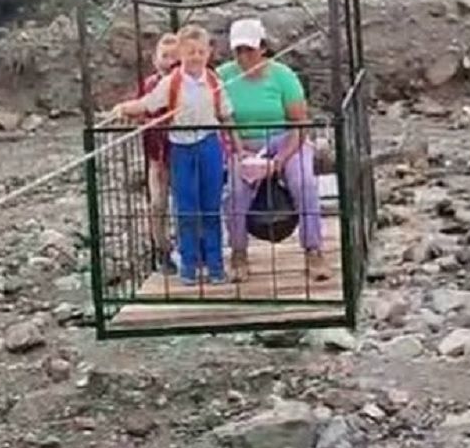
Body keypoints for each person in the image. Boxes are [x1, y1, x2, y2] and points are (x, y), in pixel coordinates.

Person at [112, 26, 241, 285]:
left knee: (211, 207)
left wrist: (237, 145)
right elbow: (149, 102)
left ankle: (215, 266)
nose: (195, 57)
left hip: (208, 146)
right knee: (185, 207)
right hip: (180, 149)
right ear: (181, 53)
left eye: (201, 52)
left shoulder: (214, 80)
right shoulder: (171, 82)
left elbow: (226, 115)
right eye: (190, 52)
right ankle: (189, 265)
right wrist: (126, 108)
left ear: (209, 53)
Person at [217, 18, 331, 283]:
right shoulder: (223, 76)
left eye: (250, 49)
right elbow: (224, 119)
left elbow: (299, 122)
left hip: (284, 140)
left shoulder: (283, 76)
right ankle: (238, 251)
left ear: (263, 48)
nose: (244, 56)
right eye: (239, 51)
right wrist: (239, 149)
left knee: (304, 182)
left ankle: (313, 249)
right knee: (235, 191)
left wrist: (281, 159)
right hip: (243, 143)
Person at [138, 32, 179, 274]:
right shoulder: (149, 84)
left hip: (181, 153)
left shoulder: (185, 82)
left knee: (185, 203)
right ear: (155, 59)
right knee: (157, 203)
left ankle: (191, 248)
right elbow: (143, 108)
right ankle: (161, 249)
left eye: (174, 56)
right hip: (157, 157)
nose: (169, 61)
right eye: (164, 56)